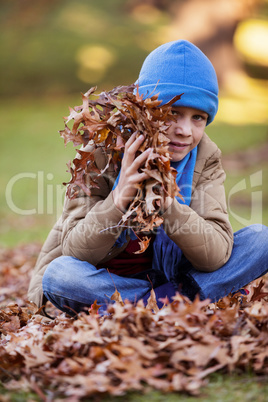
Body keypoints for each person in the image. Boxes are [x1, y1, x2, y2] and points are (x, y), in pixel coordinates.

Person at [28, 40, 268, 315]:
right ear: (144, 110)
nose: (184, 130)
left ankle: (158, 303)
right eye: (172, 113)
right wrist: (118, 200)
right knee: (61, 276)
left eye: (198, 117)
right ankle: (174, 303)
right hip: (106, 280)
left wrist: (170, 206)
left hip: (176, 276)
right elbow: (77, 251)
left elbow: (215, 257)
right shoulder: (100, 152)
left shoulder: (205, 157)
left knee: (261, 239)